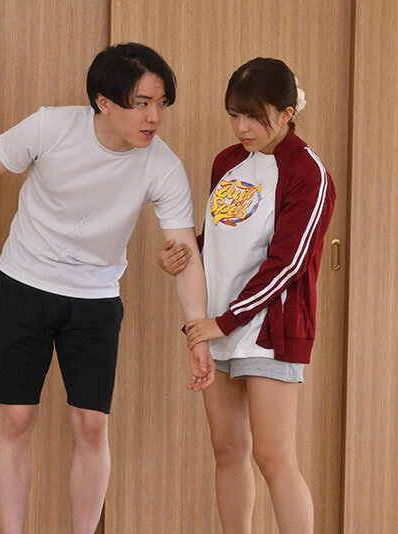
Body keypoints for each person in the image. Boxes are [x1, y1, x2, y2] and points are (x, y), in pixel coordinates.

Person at [0, 43, 214, 534]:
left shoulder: (163, 165)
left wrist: (197, 331)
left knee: (92, 425)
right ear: (104, 102)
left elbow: (184, 254)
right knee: (16, 418)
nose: (154, 117)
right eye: (141, 103)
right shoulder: (51, 127)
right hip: (25, 284)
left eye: (161, 103)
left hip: (96, 299)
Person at [159, 58, 335, 534]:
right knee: (227, 450)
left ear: (286, 113)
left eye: (254, 116)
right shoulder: (227, 162)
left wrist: (226, 320)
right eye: (234, 114)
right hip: (219, 324)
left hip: (268, 331)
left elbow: (289, 262)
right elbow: (220, 239)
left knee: (274, 456)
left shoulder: (308, 172)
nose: (242, 127)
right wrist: (184, 256)